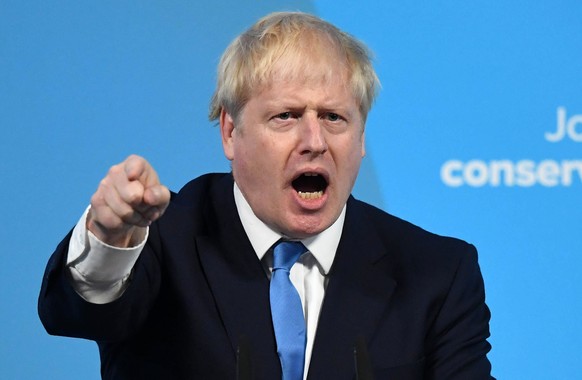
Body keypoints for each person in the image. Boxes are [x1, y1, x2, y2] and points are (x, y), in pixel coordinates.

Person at [38, 11, 494, 380]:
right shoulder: (161, 240)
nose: (315, 140)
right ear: (231, 132)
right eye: (286, 116)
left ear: (361, 138)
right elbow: (78, 315)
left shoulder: (436, 272)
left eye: (335, 117)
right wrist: (109, 239)